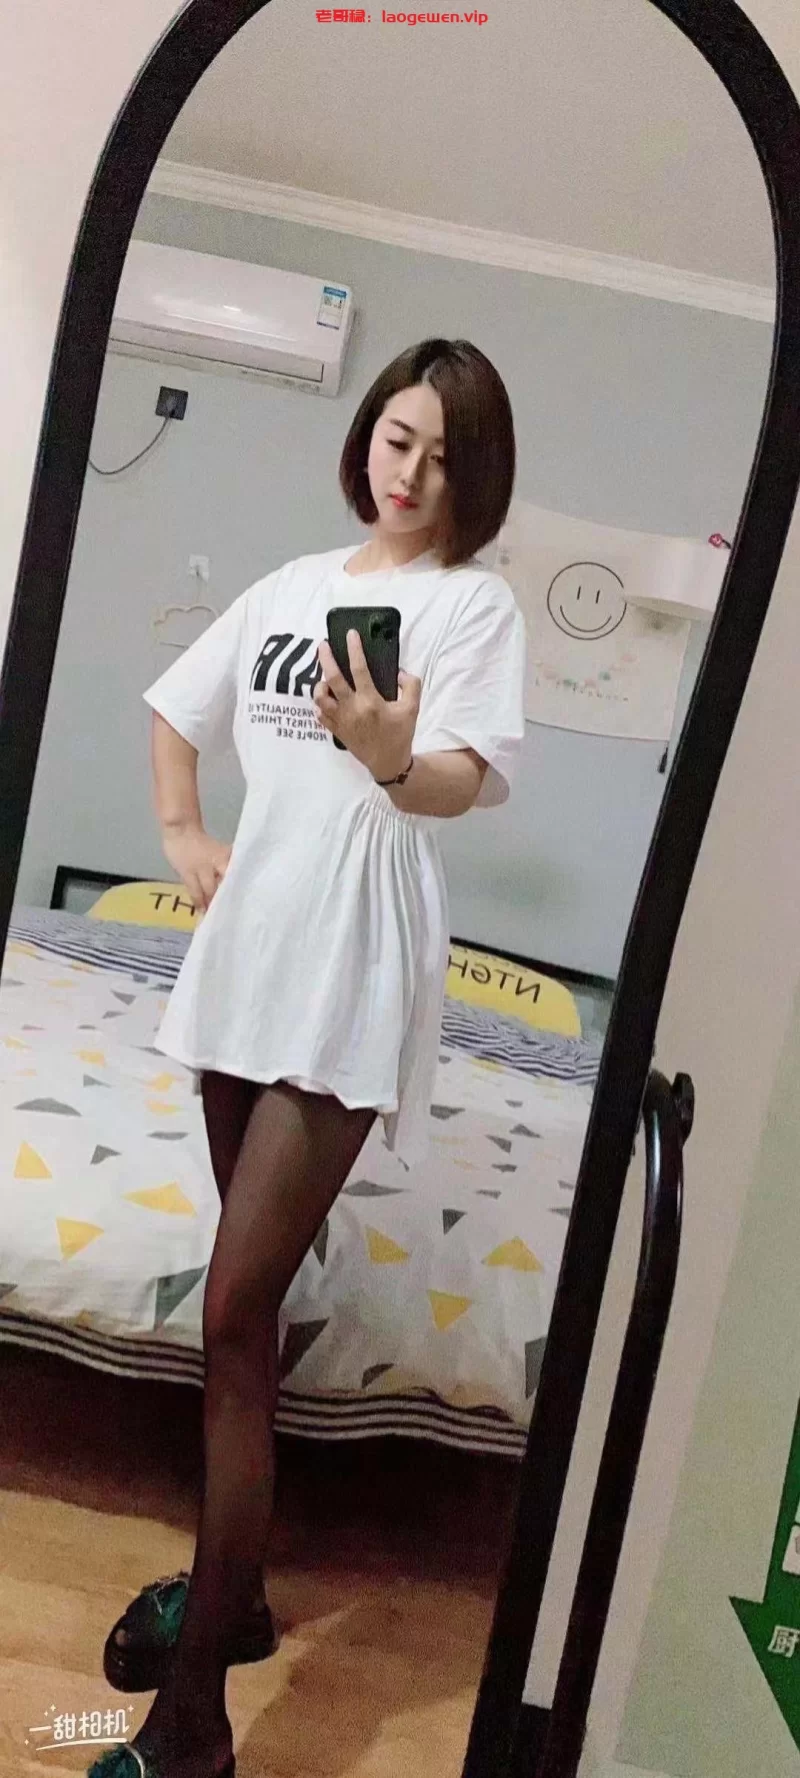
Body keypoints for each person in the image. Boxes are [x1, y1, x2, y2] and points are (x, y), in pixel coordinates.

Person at [88, 337, 526, 1778]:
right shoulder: (288, 587)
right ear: (367, 438)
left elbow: (457, 782)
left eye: (447, 455)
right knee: (248, 1306)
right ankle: (242, 1596)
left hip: (347, 965)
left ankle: (194, 1722)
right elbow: (175, 705)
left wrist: (393, 752)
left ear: (476, 477)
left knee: (229, 1312)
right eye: (400, 438)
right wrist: (180, 832)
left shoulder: (472, 605)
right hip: (246, 955)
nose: (414, 473)